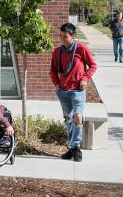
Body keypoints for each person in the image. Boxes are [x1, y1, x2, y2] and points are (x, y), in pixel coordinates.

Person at [50, 22, 97, 162]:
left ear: (73, 36)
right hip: (63, 91)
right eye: (61, 36)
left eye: (65, 37)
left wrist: (85, 78)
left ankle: (76, 148)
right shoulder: (57, 52)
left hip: (77, 90)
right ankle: (72, 148)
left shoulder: (82, 48)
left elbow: (93, 65)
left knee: (77, 116)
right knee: (69, 119)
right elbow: (52, 70)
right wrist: (56, 84)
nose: (62, 39)